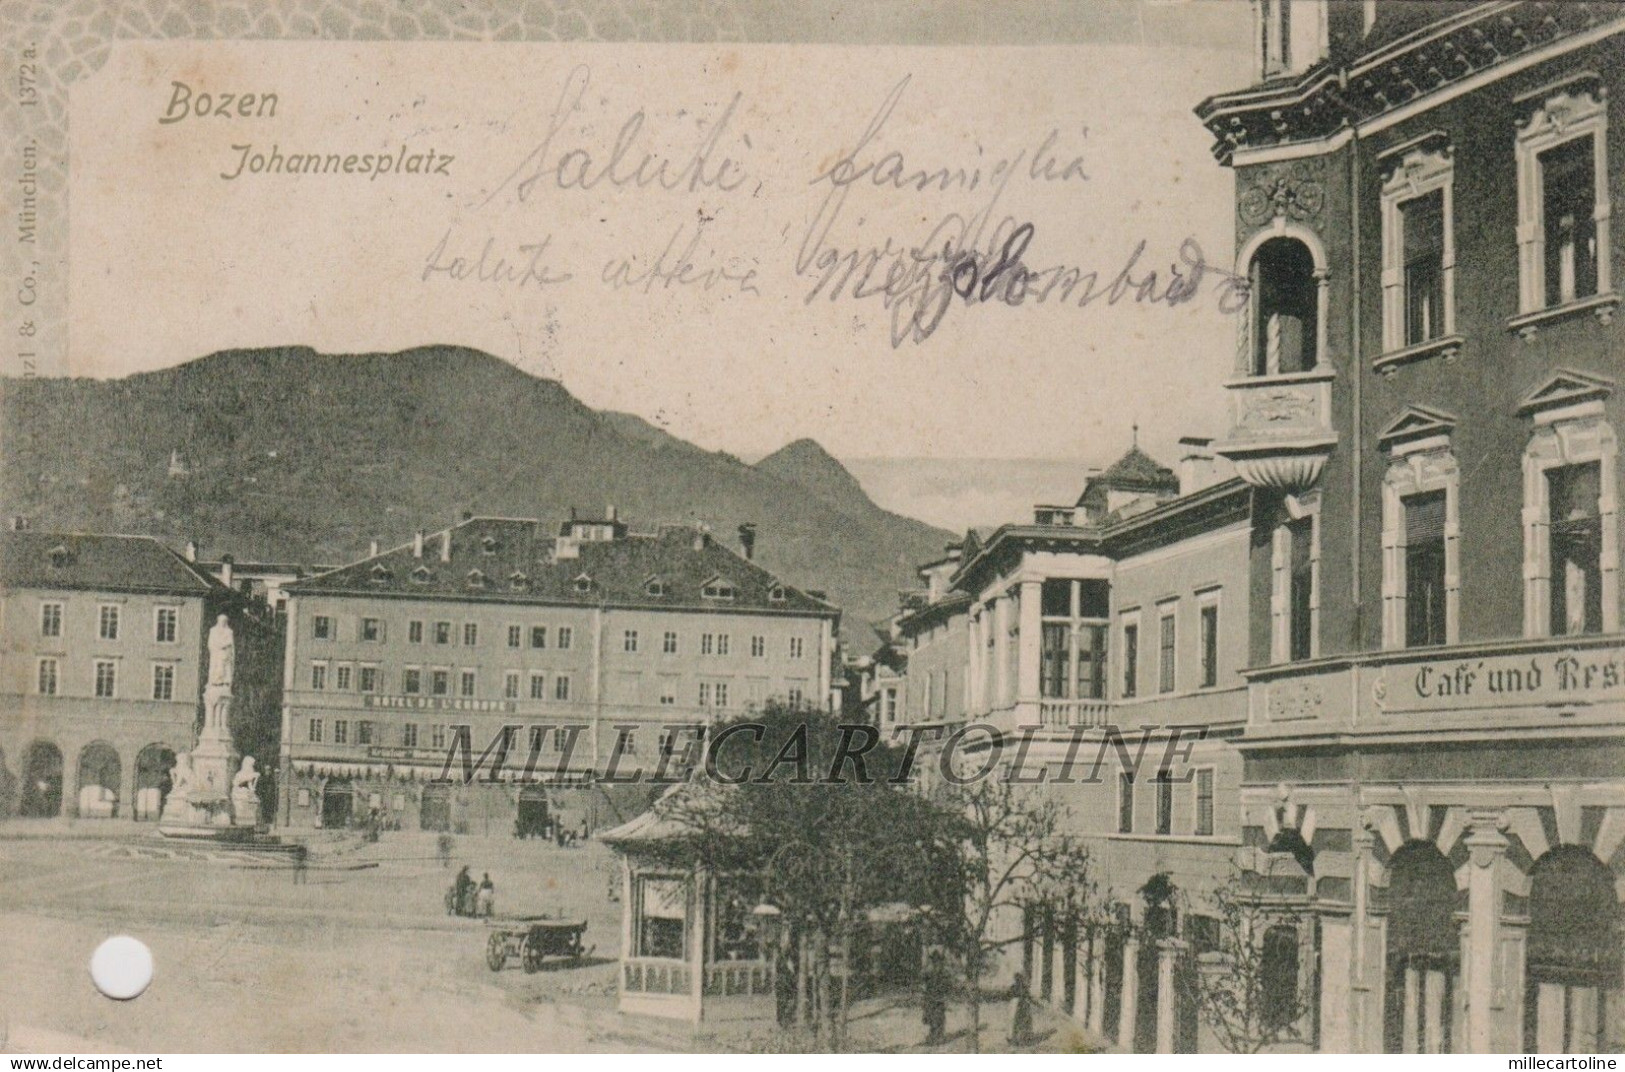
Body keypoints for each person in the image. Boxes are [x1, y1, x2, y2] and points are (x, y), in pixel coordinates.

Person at [921, 951, 949, 1046]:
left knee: (937, 1017)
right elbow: (923, 983)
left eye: (937, 960)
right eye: (935, 960)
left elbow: (946, 985)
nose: (936, 962)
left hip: (935, 997)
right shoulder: (931, 971)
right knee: (934, 1017)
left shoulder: (940, 971)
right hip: (932, 997)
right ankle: (935, 1037)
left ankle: (937, 1037)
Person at [1008, 970, 1033, 1047]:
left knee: (1017, 1022)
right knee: (1016, 1022)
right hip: (1017, 1005)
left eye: (1019, 978)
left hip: (1017, 1005)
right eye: (1017, 979)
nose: (1018, 980)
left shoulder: (1017, 987)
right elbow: (1027, 996)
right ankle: (1017, 1039)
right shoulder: (1021, 987)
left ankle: (1018, 1038)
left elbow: (1009, 995)